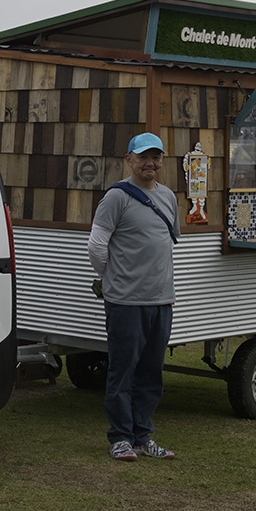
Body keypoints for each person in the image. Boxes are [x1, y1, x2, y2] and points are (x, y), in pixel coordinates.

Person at [87, 132, 180, 462]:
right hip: (125, 302)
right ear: (129, 160)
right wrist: (111, 279)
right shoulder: (116, 198)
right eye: (143, 157)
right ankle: (120, 438)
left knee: (151, 372)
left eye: (155, 157)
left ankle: (143, 436)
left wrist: (166, 292)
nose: (150, 163)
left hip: (160, 302)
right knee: (122, 372)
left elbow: (166, 247)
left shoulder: (168, 197)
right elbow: (97, 247)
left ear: (162, 161)